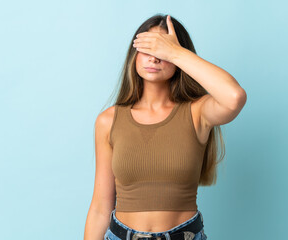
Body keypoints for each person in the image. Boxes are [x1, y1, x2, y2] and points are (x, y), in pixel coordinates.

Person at [84, 14, 247, 240]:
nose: (154, 58)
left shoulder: (197, 112)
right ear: (134, 54)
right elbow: (101, 207)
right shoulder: (108, 121)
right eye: (147, 48)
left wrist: (176, 52)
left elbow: (234, 97)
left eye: (162, 51)